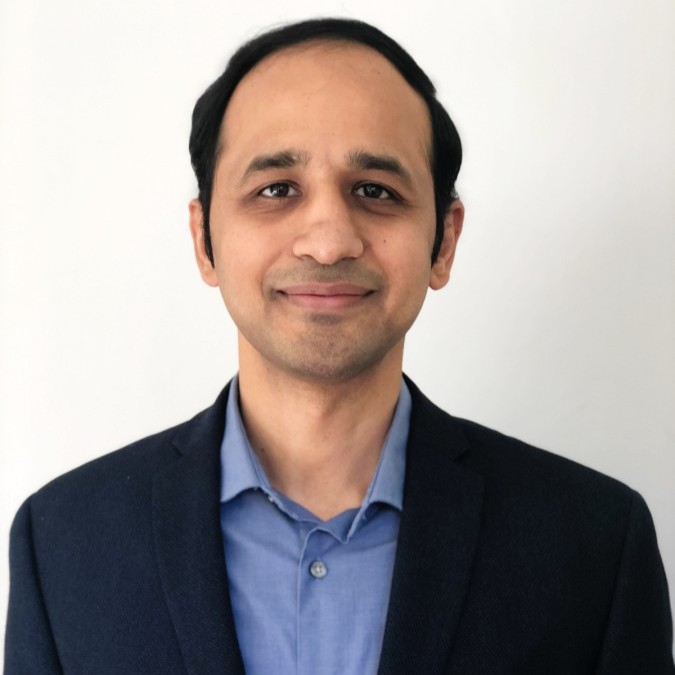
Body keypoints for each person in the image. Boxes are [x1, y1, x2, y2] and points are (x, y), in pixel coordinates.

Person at [4, 17, 673, 675]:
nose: (327, 242)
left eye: (375, 191)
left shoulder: (594, 545)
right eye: (275, 190)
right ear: (204, 240)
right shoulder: (63, 542)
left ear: (443, 242)